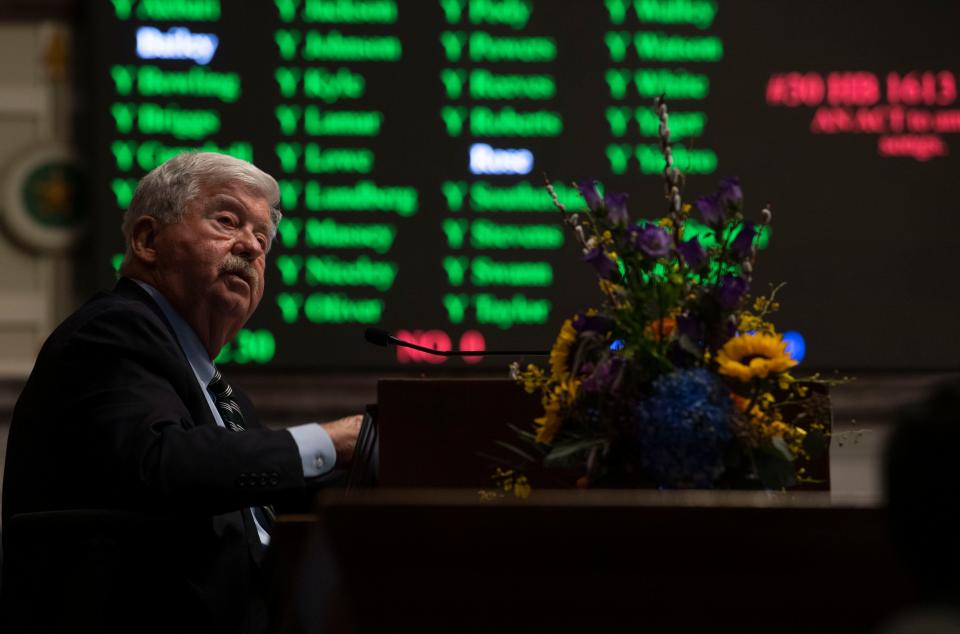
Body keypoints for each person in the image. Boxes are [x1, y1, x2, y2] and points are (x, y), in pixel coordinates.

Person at [0, 152, 362, 633]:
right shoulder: (112, 332)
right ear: (147, 240)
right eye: (227, 221)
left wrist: (384, 466)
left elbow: (273, 493)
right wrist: (330, 441)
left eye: (262, 239)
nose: (251, 248)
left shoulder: (221, 393)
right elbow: (160, 461)